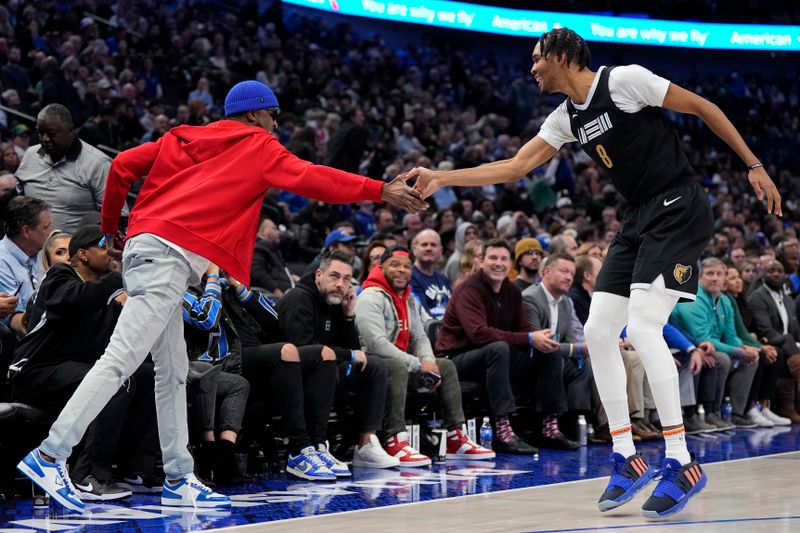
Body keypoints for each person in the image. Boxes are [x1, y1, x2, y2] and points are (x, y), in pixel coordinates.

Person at [410, 27, 781, 518]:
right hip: (639, 218)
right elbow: (517, 166)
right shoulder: (566, 117)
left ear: (563, 55)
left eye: (537, 58)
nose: (532, 67)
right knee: (602, 330)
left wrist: (752, 163)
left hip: (679, 205)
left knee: (645, 327)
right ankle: (626, 455)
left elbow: (703, 107)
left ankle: (681, 460)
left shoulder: (624, 80)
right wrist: (441, 176)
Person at [17, 80, 427, 513]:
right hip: (168, 258)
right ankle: (50, 455)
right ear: (254, 114)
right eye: (273, 115)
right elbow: (313, 177)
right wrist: (381, 189)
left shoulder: (183, 135)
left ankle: (178, 477)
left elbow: (121, 168)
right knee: (120, 361)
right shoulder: (258, 145)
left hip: (146, 249)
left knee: (171, 373)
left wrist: (109, 228)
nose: (275, 125)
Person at [8, 224, 159, 501]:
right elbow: (77, 300)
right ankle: (87, 476)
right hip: (33, 371)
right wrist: (119, 277)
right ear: (83, 254)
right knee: (114, 382)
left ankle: (136, 468)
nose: (111, 255)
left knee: (148, 375)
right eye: (104, 248)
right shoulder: (60, 276)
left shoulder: (105, 296)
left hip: (70, 371)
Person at [355, 246, 494, 465]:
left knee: (445, 366)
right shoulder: (370, 297)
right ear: (380, 268)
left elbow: (419, 337)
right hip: (373, 370)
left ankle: (456, 437)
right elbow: (377, 345)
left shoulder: (409, 298)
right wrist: (418, 364)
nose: (402, 270)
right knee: (396, 365)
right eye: (395, 265)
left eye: (407, 266)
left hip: (403, 367)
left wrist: (428, 361)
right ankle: (395, 440)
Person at [278, 250, 399, 469]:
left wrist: (348, 315)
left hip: (327, 373)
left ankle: (366, 443)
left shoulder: (334, 303)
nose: (340, 284)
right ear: (318, 275)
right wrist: (349, 355)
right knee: (327, 366)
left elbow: (353, 351)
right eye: (334, 276)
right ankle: (316, 445)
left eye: (346, 279)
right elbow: (305, 351)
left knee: (375, 366)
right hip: (294, 377)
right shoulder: (298, 299)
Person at [435, 239, 544, 454]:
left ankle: (549, 424)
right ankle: (503, 430)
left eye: (504, 259)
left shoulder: (512, 292)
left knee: (547, 354)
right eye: (493, 258)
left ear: (511, 264)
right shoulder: (468, 289)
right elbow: (479, 334)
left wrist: (539, 340)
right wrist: (530, 338)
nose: (499, 263)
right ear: (481, 261)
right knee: (499, 348)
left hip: (492, 357)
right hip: (455, 359)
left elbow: (523, 330)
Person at [14, 104, 114, 234]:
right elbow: (19, 198)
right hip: (31, 250)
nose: (45, 138)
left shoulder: (98, 163)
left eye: (51, 133)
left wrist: (97, 248)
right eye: (40, 132)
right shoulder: (30, 154)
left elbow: (116, 218)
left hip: (75, 251)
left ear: (71, 130)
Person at [410, 229, 451, 321]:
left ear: (440, 251)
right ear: (414, 250)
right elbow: (420, 313)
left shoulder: (444, 279)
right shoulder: (409, 277)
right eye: (424, 244)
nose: (429, 248)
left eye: (433, 245)